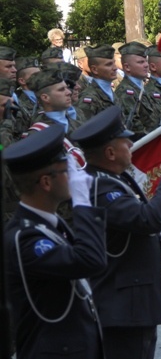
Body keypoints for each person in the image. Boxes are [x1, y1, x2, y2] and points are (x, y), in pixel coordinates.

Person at [70, 106, 161, 359]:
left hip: (130, 301)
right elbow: (147, 220)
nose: (130, 146)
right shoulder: (101, 186)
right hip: (121, 304)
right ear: (110, 152)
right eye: (126, 143)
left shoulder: (112, 178)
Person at [3, 125, 106, 359]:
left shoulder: (49, 223)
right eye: (66, 170)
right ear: (46, 183)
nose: (74, 175)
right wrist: (83, 205)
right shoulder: (25, 238)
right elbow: (90, 260)